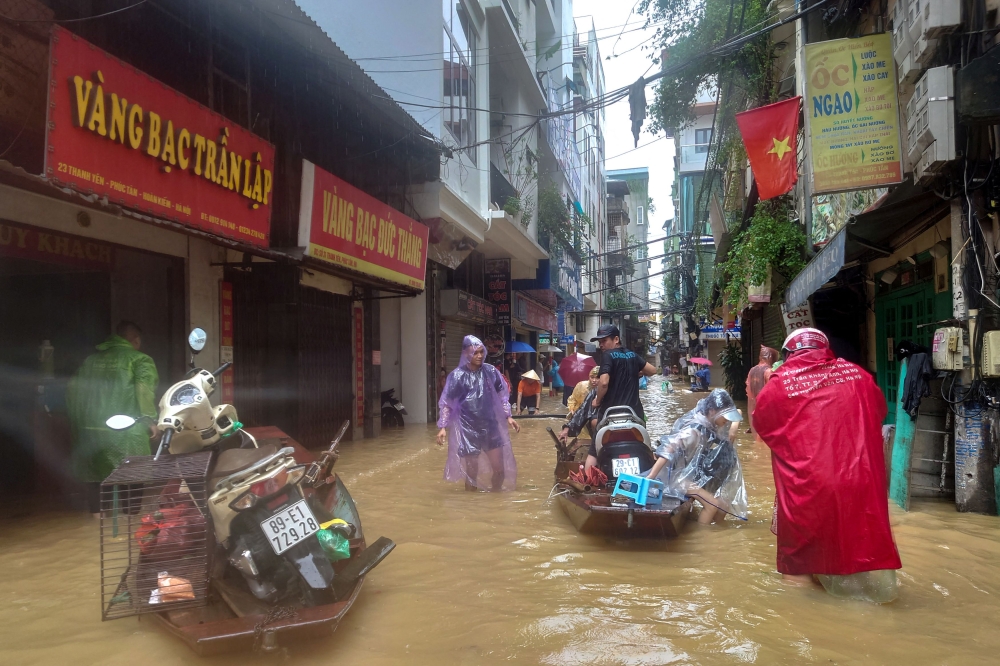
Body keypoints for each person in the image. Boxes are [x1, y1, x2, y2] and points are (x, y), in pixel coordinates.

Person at [753, 328, 902, 602]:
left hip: (808, 485)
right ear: (825, 349)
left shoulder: (779, 382)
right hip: (861, 480)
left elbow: (763, 426)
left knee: (800, 565)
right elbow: (878, 412)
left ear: (788, 353)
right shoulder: (859, 375)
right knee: (859, 548)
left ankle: (808, 627)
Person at [67, 321, 159, 515]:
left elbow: (74, 393)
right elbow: (144, 391)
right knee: (133, 474)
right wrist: (150, 420)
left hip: (91, 431)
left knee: (95, 476)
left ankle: (96, 519)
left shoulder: (90, 361)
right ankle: (130, 518)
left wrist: (79, 425)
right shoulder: (140, 360)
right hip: (127, 431)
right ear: (136, 339)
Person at [646, 389, 747, 524]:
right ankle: (702, 538)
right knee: (711, 505)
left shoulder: (711, 425)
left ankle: (718, 535)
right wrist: (651, 477)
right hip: (678, 479)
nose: (727, 419)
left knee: (724, 506)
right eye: (725, 415)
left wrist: (733, 428)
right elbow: (668, 449)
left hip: (691, 476)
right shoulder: (693, 431)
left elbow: (738, 413)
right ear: (711, 411)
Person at [437, 336, 520, 491]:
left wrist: (508, 416)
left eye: (482, 352)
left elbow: (502, 395)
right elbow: (448, 403)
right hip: (468, 430)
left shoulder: (490, 371)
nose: (480, 356)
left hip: (491, 427)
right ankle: (472, 505)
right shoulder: (457, 376)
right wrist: (443, 426)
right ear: (465, 353)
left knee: (499, 470)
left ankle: (495, 498)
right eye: (475, 353)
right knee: (471, 473)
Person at [587, 324, 657, 468]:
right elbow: (653, 370)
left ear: (616, 339)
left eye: (604, 341)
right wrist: (637, 371)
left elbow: (604, 382)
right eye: (599, 342)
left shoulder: (607, 355)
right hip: (634, 415)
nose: (601, 345)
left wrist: (597, 401)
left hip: (609, 415)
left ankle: (588, 485)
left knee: (593, 452)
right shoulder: (632, 355)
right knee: (645, 447)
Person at [745, 345, 779, 440]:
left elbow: (750, 396)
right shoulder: (769, 372)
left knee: (758, 441)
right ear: (770, 358)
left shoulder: (752, 371)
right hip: (766, 416)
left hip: (754, 415)